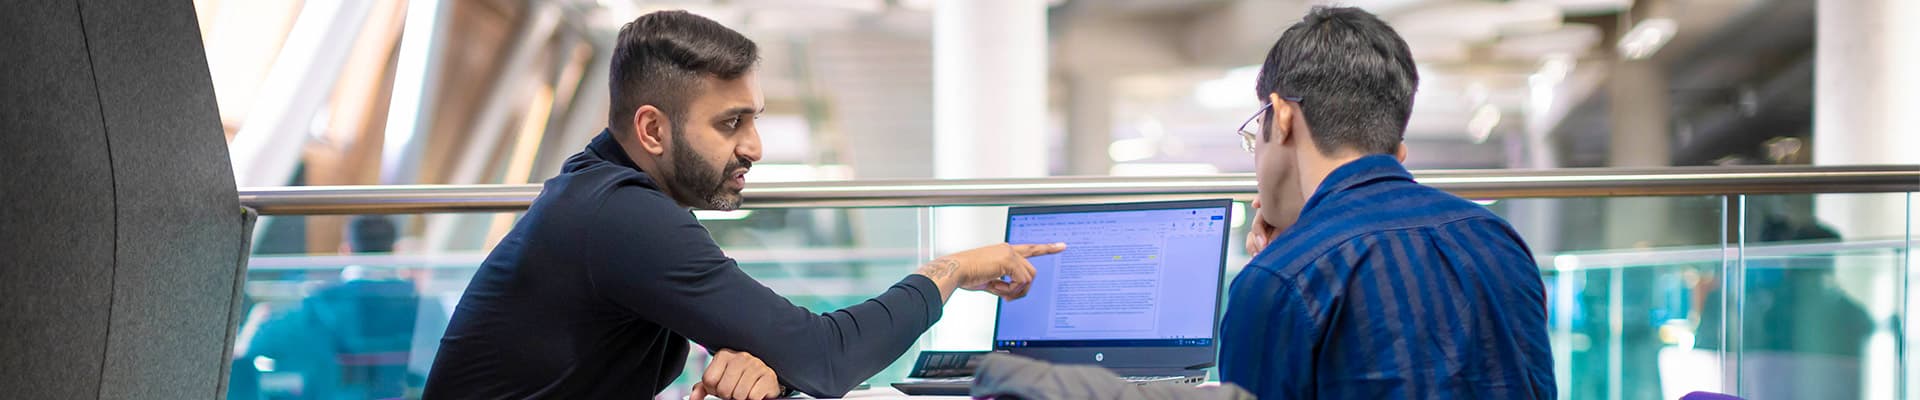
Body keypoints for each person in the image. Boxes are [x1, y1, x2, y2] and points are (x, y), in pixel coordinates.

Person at [421, 10, 1064, 400]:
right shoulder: (617, 216)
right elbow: (826, 355)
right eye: (730, 123)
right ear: (652, 131)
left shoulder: (606, 196)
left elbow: (789, 351)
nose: (754, 146)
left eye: (752, 119)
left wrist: (770, 370)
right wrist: (950, 270)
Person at [973, 6, 1555, 399]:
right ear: (1396, 148)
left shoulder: (1281, 280)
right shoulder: (1499, 241)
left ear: (1282, 117)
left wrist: (1279, 269)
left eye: (1255, 136)